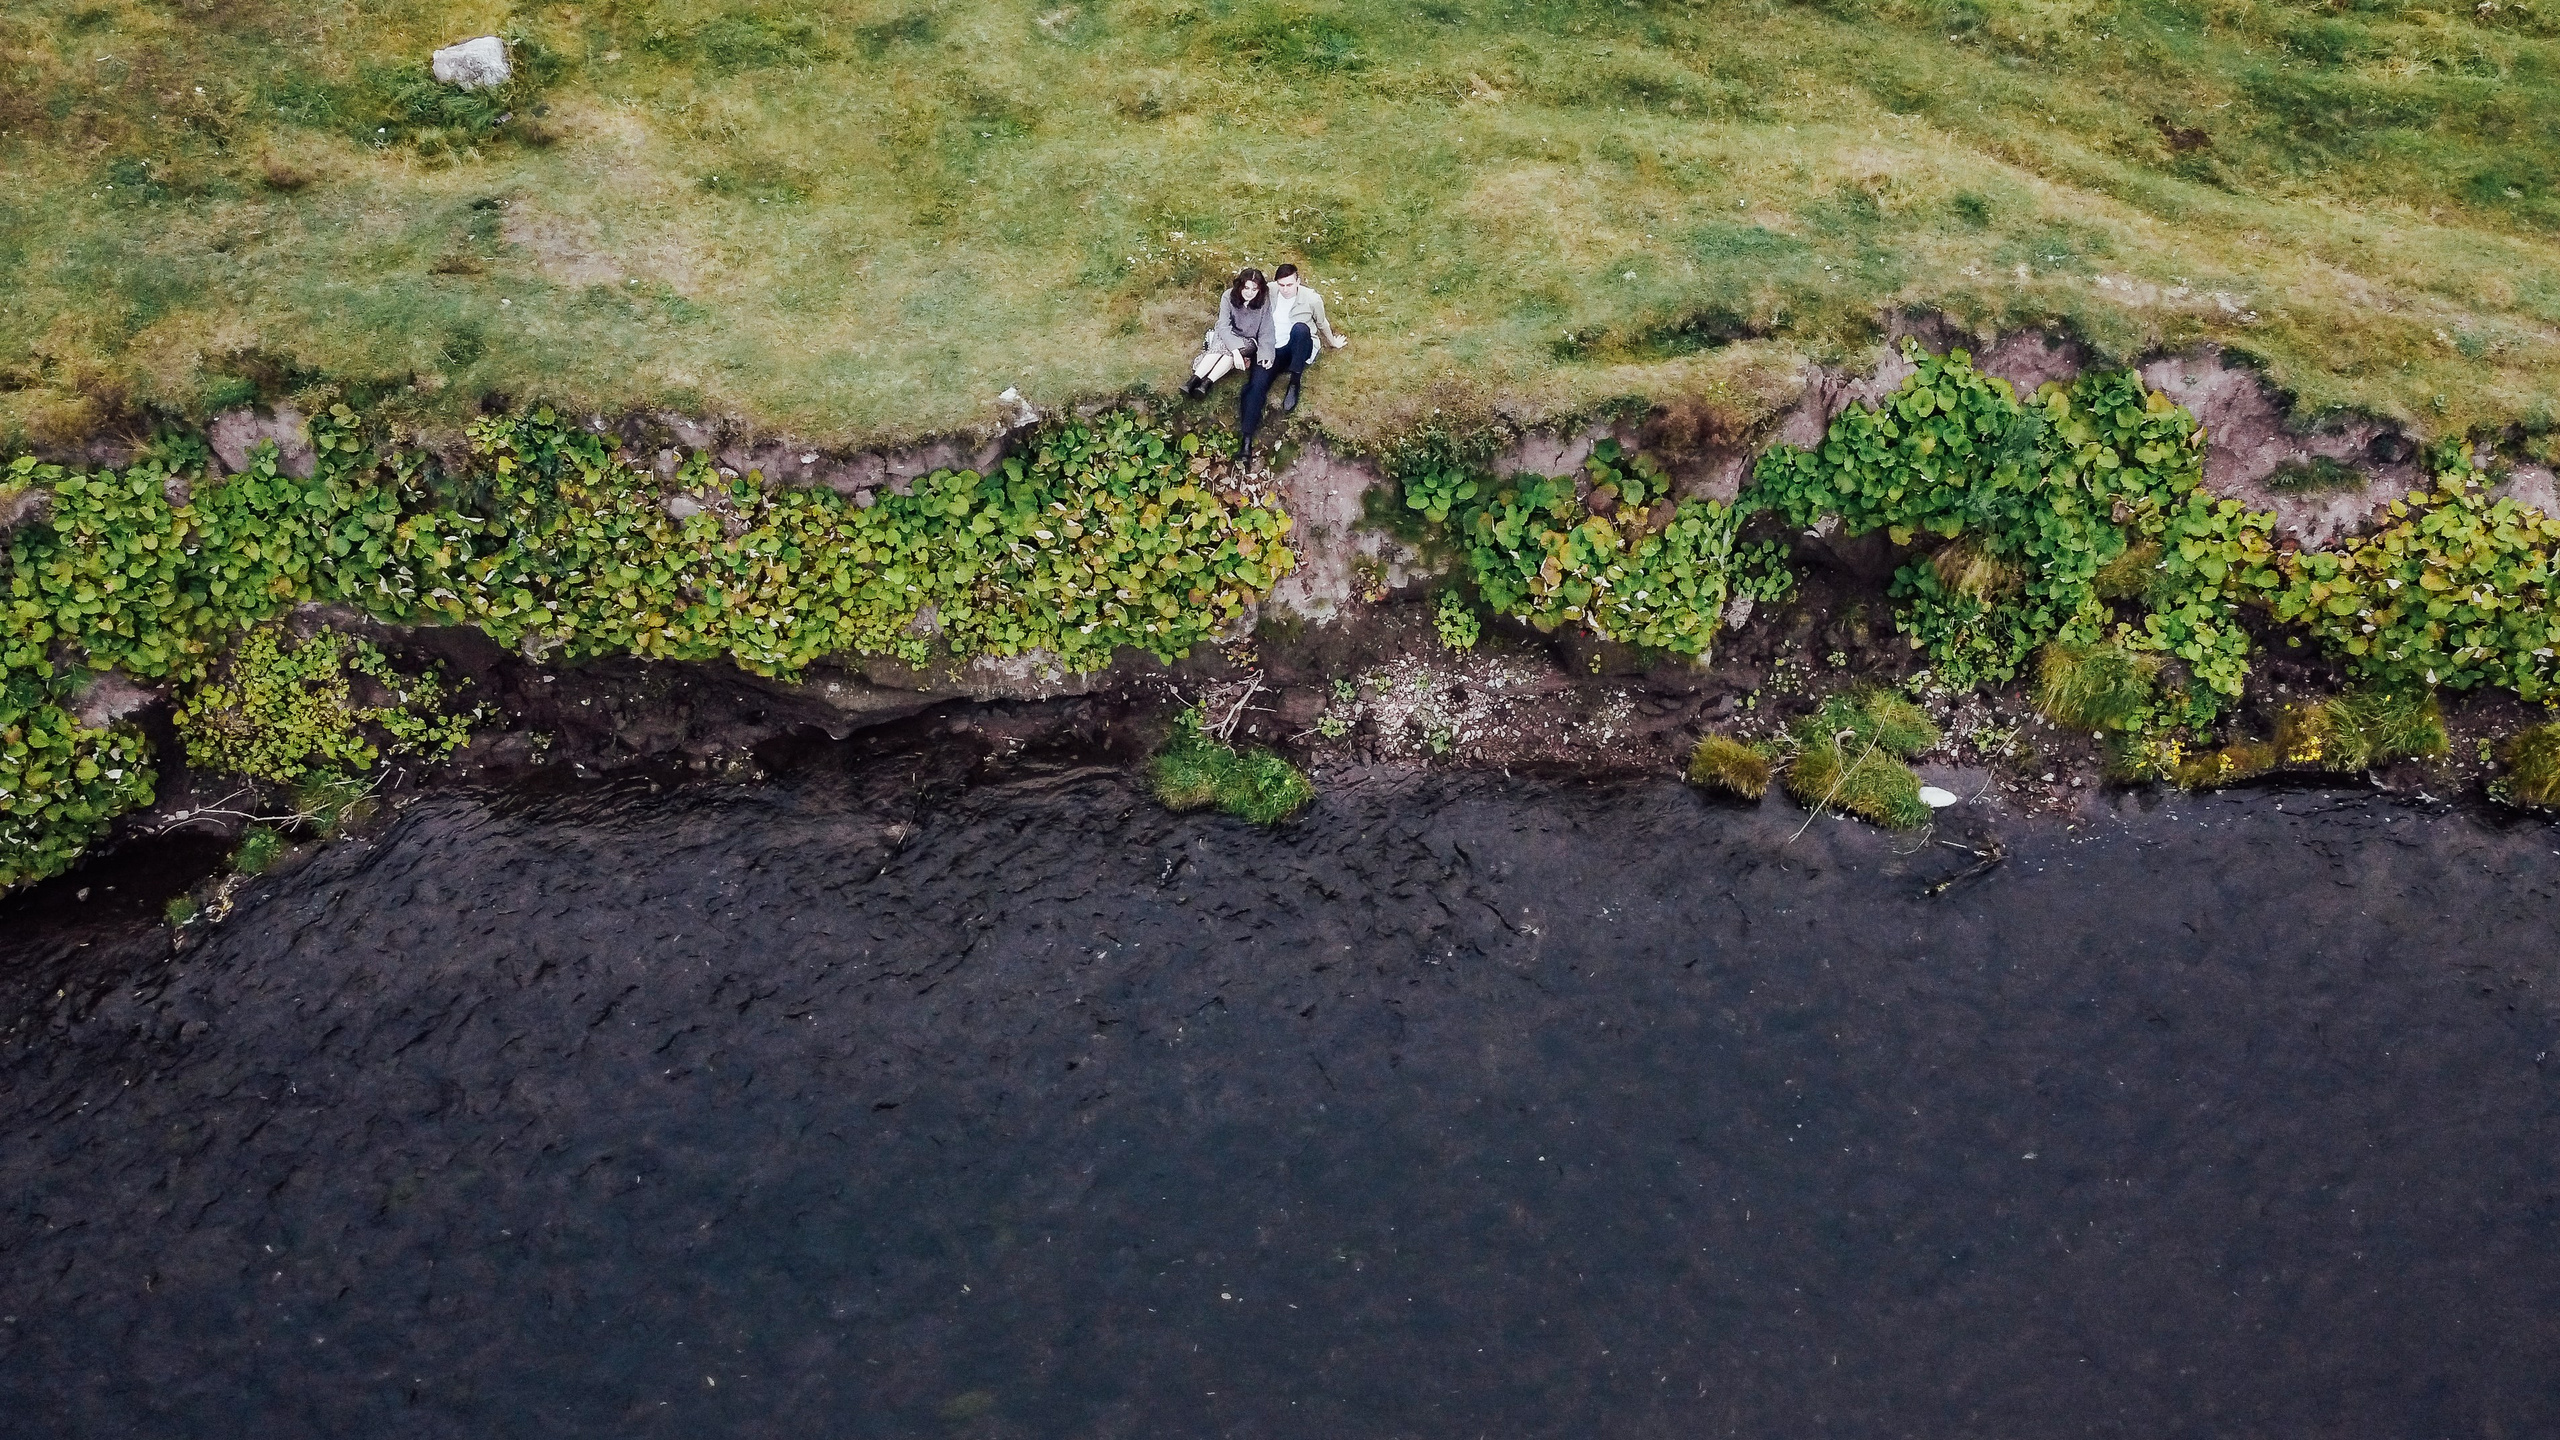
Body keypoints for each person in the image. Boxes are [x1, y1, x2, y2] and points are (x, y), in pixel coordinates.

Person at [1236, 262, 1348, 463]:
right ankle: (1246, 441)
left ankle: (1295, 383)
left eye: (1289, 284)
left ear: (1298, 281)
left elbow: (1322, 323)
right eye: (1282, 285)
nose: (1285, 289)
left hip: (1297, 348)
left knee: (1300, 329)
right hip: (1272, 349)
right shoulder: (1269, 291)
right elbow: (1245, 299)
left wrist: (1333, 342)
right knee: (1255, 387)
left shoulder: (1311, 299)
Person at [1184, 268, 1271, 398]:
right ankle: (1198, 382)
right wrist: (1235, 352)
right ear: (1240, 285)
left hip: (1248, 340)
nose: (1249, 293)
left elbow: (1266, 329)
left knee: (1226, 349)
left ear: (1259, 289)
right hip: (1227, 333)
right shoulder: (1228, 296)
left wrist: (1266, 354)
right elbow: (1224, 325)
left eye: (1254, 289)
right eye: (1246, 288)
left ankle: (1202, 382)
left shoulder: (1263, 301)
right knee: (1227, 350)